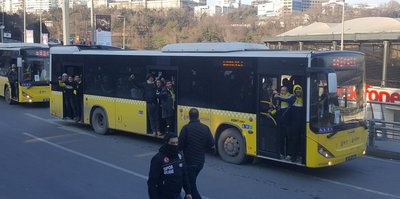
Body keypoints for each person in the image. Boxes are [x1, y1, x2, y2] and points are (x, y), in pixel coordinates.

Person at [178, 108, 215, 199]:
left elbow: (179, 146)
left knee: (190, 187)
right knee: (190, 184)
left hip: (189, 163)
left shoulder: (186, 129)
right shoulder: (205, 128)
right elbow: (212, 145)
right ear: (198, 116)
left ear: (189, 117)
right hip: (200, 163)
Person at [147, 133, 192, 199]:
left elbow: (184, 175)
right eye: (173, 143)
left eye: (177, 142)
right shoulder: (158, 159)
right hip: (163, 196)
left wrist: (188, 192)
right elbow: (152, 183)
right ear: (166, 143)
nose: (175, 145)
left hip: (177, 195)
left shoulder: (180, 156)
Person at [274, 86, 294, 160]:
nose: (282, 92)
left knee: (288, 138)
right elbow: (276, 108)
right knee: (281, 138)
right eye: (281, 90)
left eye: (284, 90)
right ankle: (281, 153)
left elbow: (287, 100)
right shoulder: (279, 99)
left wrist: (277, 96)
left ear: (287, 91)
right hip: (281, 121)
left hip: (288, 122)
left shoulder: (290, 96)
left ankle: (289, 154)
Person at [288, 84, 304, 163]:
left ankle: (299, 154)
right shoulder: (292, 98)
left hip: (302, 124)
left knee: (301, 139)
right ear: (294, 91)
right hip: (293, 123)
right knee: (294, 139)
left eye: (299, 89)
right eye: (296, 89)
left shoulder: (304, 99)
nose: (298, 90)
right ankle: (293, 156)